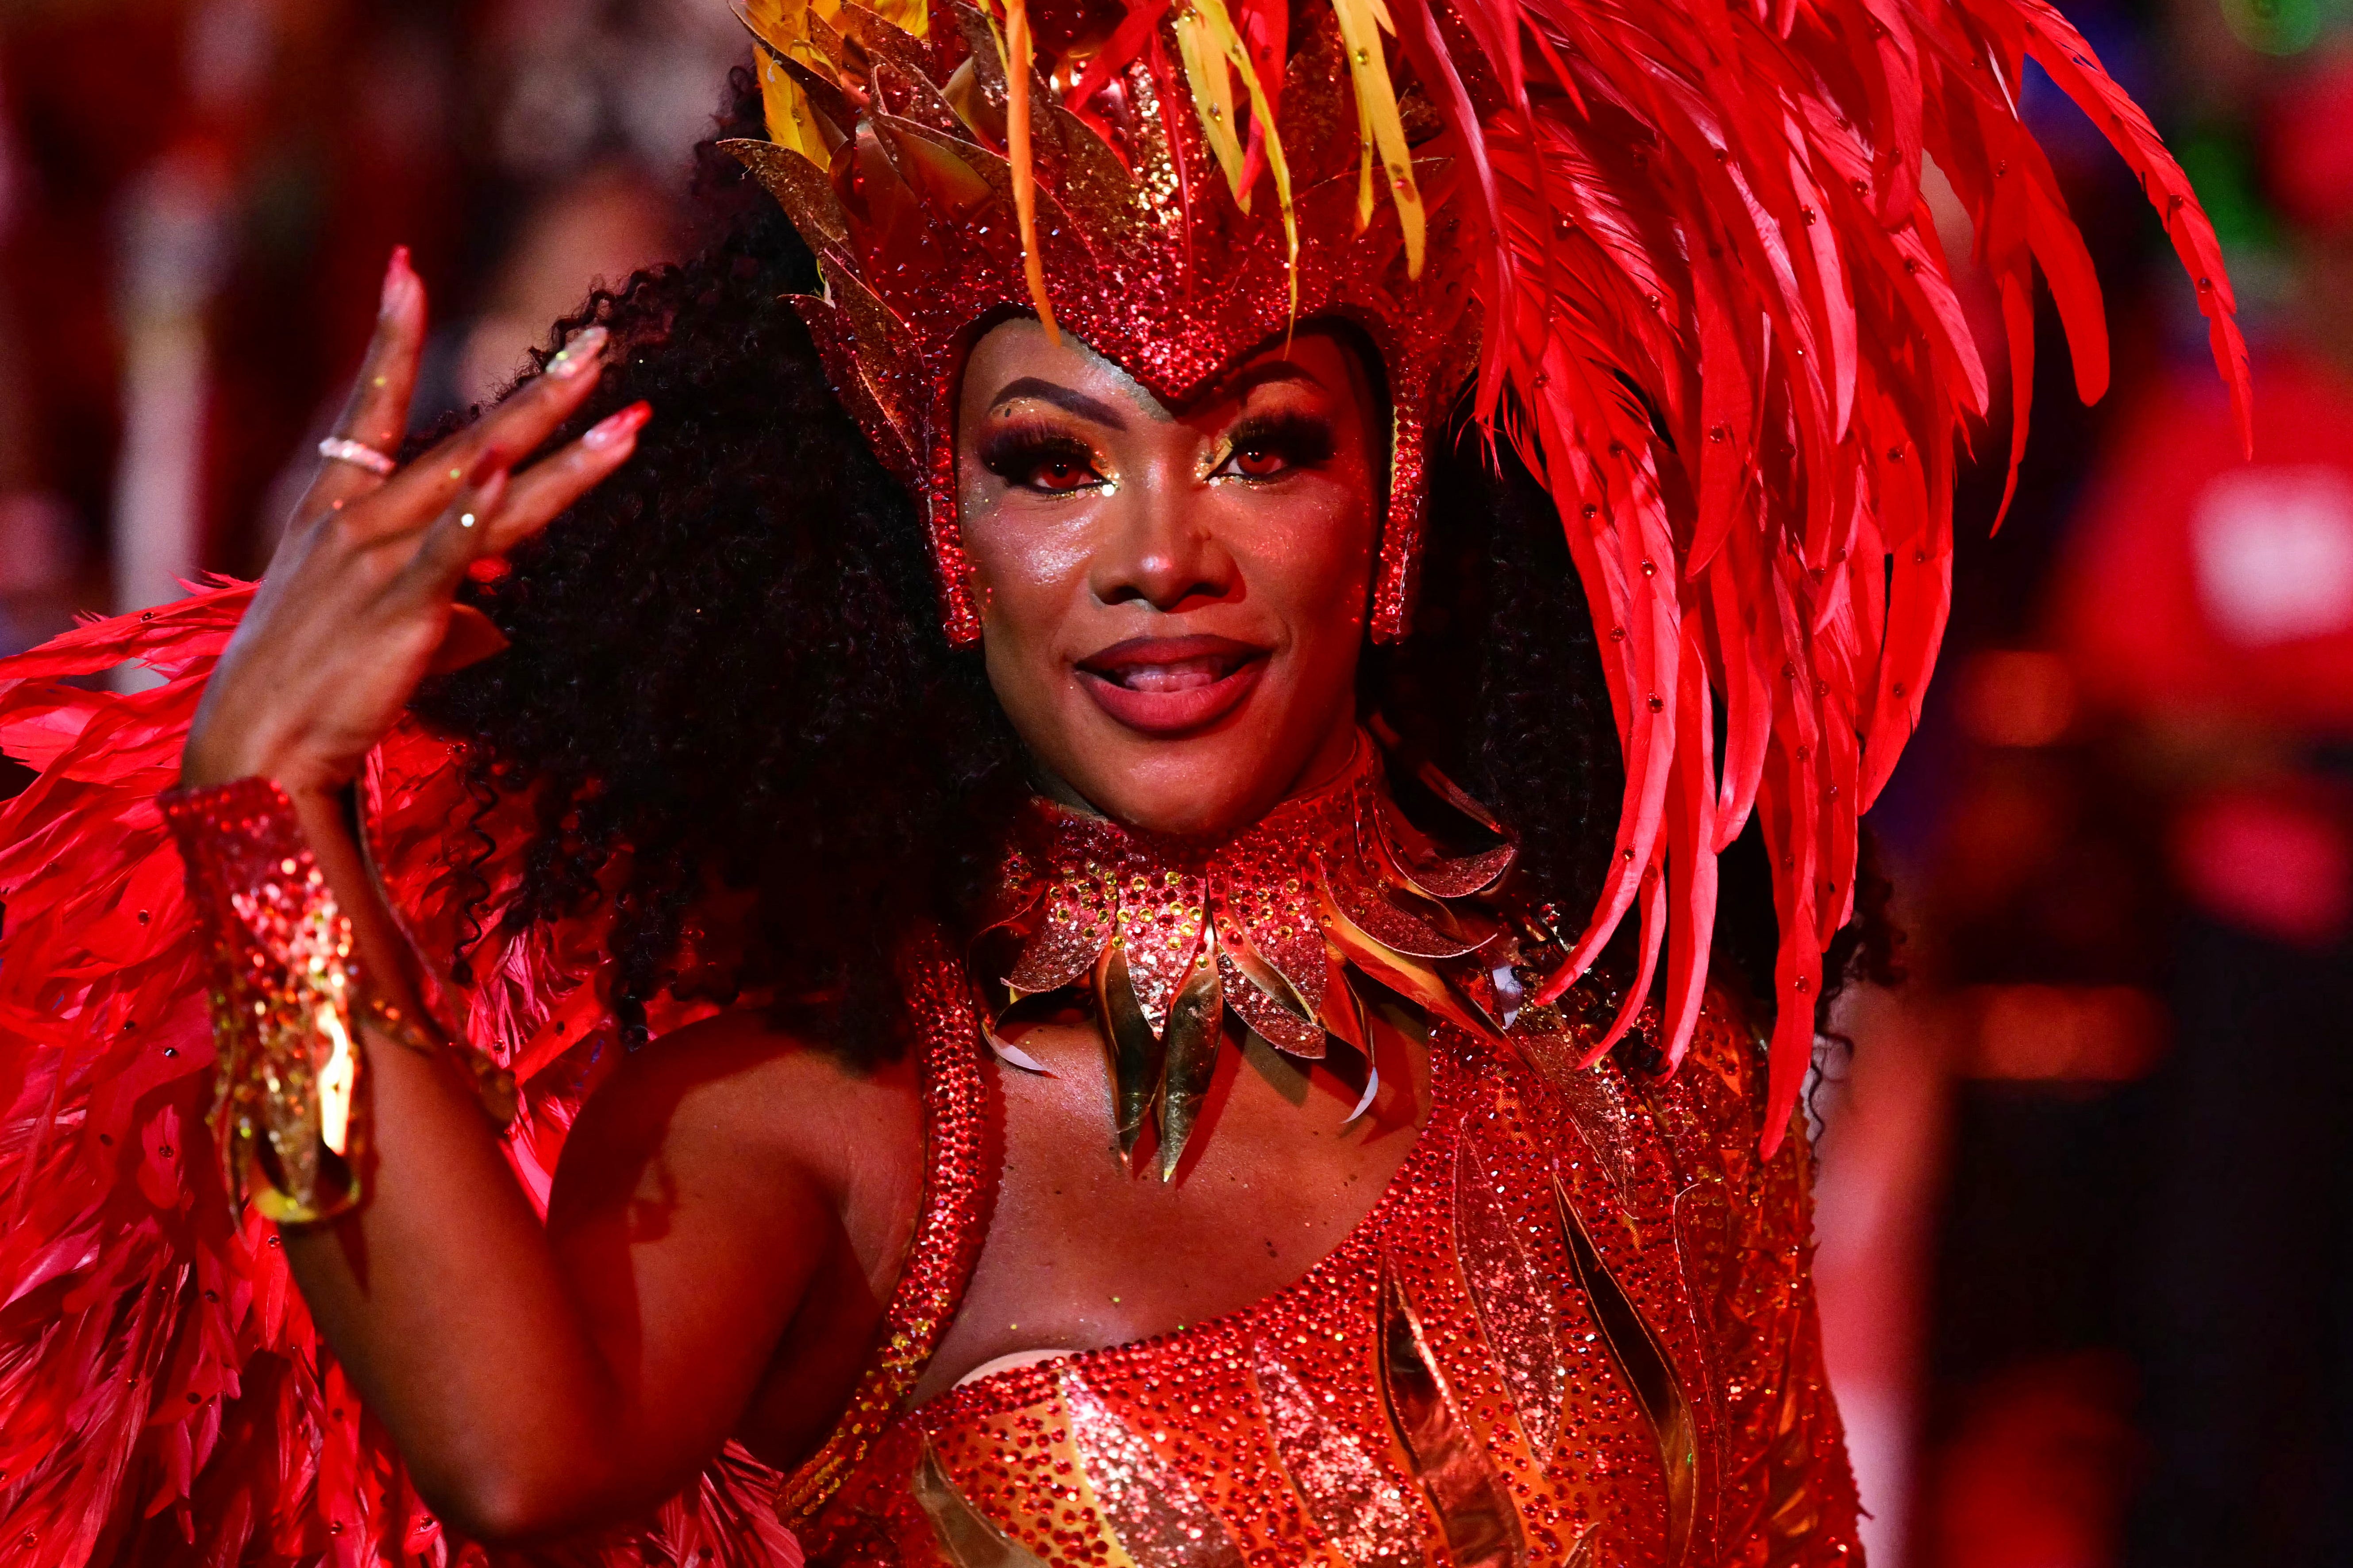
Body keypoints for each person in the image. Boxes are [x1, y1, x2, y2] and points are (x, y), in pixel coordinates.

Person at [0, 0, 2241, 1561]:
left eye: (1262, 445)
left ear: (1388, 517)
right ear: (950, 544)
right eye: (1055, 464)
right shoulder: (835, 1124)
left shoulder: (1632, 1086)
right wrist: (271, 830)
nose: (1162, 554)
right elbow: (511, 1453)